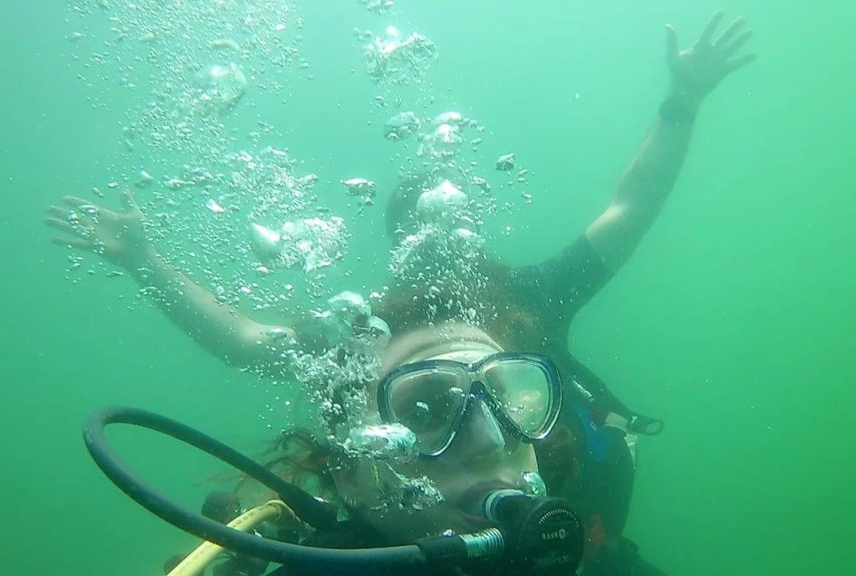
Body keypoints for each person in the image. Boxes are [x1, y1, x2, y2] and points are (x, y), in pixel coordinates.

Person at [48, 12, 755, 575]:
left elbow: (629, 210)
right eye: (425, 409)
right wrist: (144, 261)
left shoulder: (530, 296)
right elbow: (243, 340)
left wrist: (683, 102)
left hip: (586, 541)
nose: (486, 433)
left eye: (510, 396)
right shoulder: (362, 340)